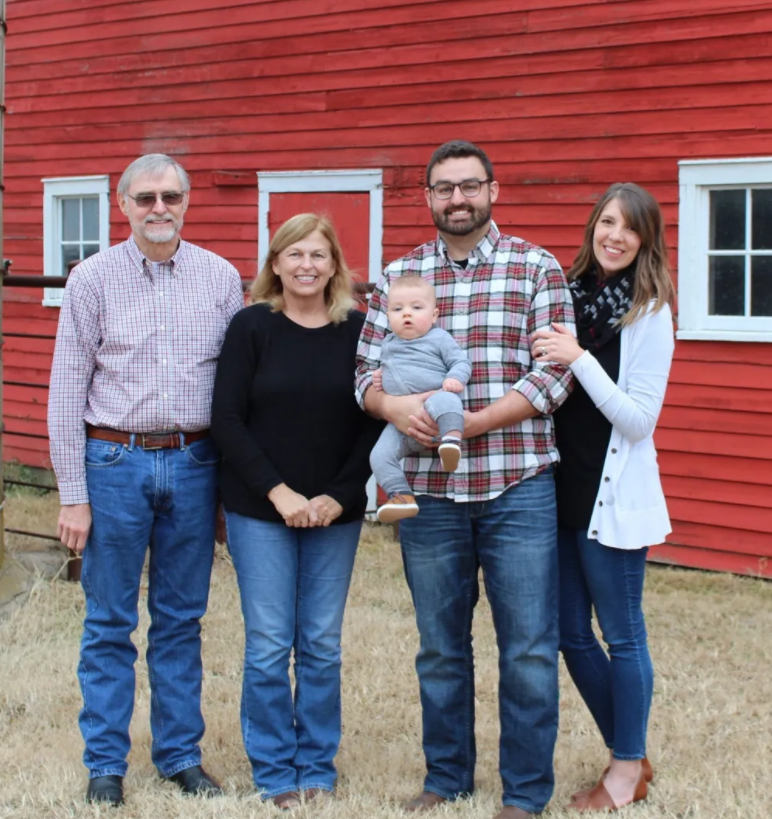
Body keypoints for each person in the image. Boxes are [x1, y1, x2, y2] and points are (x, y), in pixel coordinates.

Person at [355, 140, 575, 819]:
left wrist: (473, 424)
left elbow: (552, 375)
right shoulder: (400, 274)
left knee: (531, 650)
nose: (458, 198)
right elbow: (364, 373)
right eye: (444, 188)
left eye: (469, 186)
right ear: (426, 197)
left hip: (517, 484)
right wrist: (393, 406)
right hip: (428, 492)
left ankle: (524, 793)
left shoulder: (534, 267)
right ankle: (445, 776)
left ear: (492, 190)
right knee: (440, 647)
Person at [48, 154, 243, 806]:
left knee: (180, 619)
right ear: (123, 204)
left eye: (171, 196)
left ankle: (179, 755)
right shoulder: (91, 280)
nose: (159, 207)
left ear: (186, 203)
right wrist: (72, 492)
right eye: (146, 197)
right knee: (107, 620)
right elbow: (65, 389)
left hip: (193, 463)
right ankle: (106, 762)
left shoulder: (219, 278)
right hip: (113, 462)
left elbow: (236, 383)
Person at [211, 213, 384, 810]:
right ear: (276, 263)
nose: (306, 265)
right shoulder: (251, 327)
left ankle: (315, 763)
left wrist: (341, 494)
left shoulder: (360, 331)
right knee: (266, 643)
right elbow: (226, 419)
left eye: (318, 254)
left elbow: (374, 420)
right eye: (294, 254)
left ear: (335, 264)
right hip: (261, 511)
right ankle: (274, 770)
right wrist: (278, 493)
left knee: (320, 643)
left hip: (337, 509)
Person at [530, 183, 674, 813]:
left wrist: (581, 358)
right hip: (558, 492)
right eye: (606, 222)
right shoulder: (569, 296)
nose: (614, 236)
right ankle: (632, 749)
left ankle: (622, 768)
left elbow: (639, 419)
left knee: (623, 635)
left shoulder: (648, 310)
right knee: (568, 633)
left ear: (646, 241)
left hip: (609, 500)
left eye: (629, 228)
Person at [370, 275, 472, 523]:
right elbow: (391, 369)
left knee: (447, 400)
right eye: (398, 309)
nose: (407, 314)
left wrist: (455, 378)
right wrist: (379, 378)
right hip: (402, 423)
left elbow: (461, 361)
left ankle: (451, 441)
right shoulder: (389, 343)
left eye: (416, 308)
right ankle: (401, 495)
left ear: (435, 315)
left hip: (434, 405)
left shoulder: (438, 338)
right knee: (379, 456)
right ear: (388, 315)